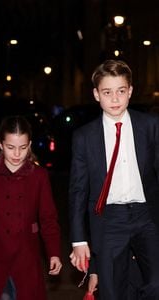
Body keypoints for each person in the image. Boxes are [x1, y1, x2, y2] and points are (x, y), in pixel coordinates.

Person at [69, 59, 159, 299]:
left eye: (121, 91)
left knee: (155, 284)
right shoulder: (84, 137)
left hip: (146, 216)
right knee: (111, 291)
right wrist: (79, 239)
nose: (115, 99)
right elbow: (78, 191)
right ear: (97, 95)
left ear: (130, 91)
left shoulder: (150, 126)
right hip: (109, 221)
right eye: (107, 92)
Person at [0, 115, 62, 300]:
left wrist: (54, 253)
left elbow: (48, 218)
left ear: (30, 145)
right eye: (11, 147)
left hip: (27, 258)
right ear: (1, 145)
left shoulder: (39, 176)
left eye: (23, 147)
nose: (17, 154)